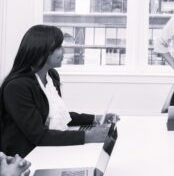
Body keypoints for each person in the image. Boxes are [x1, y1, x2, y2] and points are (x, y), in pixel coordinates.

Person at [0, 25, 115, 158]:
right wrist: (87, 136)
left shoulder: (52, 75)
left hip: (47, 149)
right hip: (25, 157)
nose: (63, 52)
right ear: (41, 50)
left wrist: (96, 119)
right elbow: (38, 135)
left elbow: (59, 116)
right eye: (58, 47)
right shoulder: (16, 87)